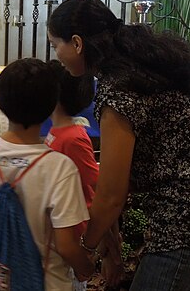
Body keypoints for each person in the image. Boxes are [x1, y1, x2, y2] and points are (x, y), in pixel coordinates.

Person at [48, 0, 190, 291]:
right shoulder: (142, 66)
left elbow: (112, 193)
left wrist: (85, 250)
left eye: (54, 46)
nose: (56, 56)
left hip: (180, 225)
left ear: (76, 43)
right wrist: (109, 244)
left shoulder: (118, 89)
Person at [0, 58, 95, 290]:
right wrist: (87, 268)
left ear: (0, 100)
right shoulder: (59, 167)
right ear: (50, 105)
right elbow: (66, 246)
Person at [46, 59, 123, 289]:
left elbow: (95, 192)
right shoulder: (57, 132)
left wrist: (110, 250)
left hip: (74, 240)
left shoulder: (73, 137)